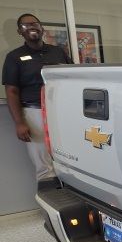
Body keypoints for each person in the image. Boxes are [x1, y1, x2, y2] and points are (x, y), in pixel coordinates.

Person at [2, 13, 73, 181]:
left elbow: (72, 78)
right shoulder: (14, 57)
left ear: (42, 28)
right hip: (34, 113)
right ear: (20, 32)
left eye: (34, 24)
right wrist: (20, 123)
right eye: (25, 26)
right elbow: (11, 91)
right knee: (44, 164)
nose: (31, 27)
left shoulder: (58, 51)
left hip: (61, 112)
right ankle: (51, 204)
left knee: (68, 157)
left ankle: (73, 198)